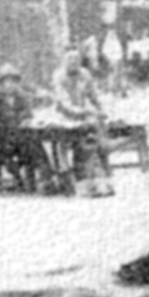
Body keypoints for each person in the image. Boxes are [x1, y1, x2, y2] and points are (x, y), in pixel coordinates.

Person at [0, 63, 46, 191]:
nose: (9, 85)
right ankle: (13, 178)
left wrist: (25, 119)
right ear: (1, 84)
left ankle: (38, 180)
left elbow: (28, 113)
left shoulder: (22, 97)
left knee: (34, 147)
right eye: (6, 82)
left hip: (20, 136)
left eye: (13, 81)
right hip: (3, 136)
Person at [52, 49, 111, 197]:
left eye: (76, 58)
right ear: (64, 60)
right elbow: (64, 103)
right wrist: (87, 112)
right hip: (64, 116)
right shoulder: (59, 77)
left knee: (96, 134)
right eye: (70, 58)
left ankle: (100, 176)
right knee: (70, 141)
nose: (73, 62)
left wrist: (100, 109)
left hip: (82, 115)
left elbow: (93, 95)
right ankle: (73, 178)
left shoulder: (84, 74)